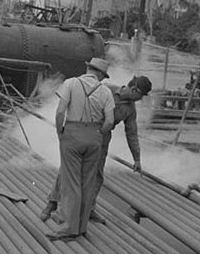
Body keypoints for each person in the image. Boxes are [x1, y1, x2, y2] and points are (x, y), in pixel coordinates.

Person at [41, 74, 153, 226]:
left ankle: (89, 209)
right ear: (134, 89)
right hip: (84, 131)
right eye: (141, 95)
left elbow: (131, 133)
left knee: (97, 175)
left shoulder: (130, 110)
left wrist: (137, 158)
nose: (141, 99)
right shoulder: (106, 90)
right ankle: (52, 203)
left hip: (102, 139)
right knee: (69, 169)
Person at [43, 57, 115, 241]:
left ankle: (68, 227)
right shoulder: (106, 92)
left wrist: (61, 132)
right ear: (100, 74)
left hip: (73, 134)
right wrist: (98, 132)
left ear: (89, 69)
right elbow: (110, 122)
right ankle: (81, 227)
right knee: (87, 182)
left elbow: (60, 112)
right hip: (94, 136)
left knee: (70, 183)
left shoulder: (71, 83)